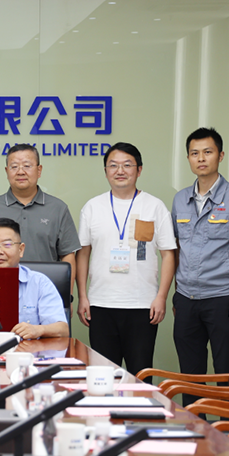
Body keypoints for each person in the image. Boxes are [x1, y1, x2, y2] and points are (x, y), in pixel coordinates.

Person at [75, 143, 176, 376]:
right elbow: (83, 254)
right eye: (113, 165)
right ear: (105, 171)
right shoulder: (92, 207)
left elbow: (168, 254)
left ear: (139, 170)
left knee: (140, 375)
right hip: (101, 305)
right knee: (102, 377)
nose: (120, 171)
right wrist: (82, 296)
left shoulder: (155, 207)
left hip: (142, 305)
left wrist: (161, 297)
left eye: (127, 165)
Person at [172, 128, 229, 385]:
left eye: (207, 152)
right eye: (194, 153)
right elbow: (176, 248)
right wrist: (177, 294)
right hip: (186, 298)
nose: (201, 158)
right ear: (188, 158)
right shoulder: (180, 199)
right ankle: (194, 413)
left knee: (226, 370)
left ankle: (228, 415)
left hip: (223, 298)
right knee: (189, 374)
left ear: (220, 156)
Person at [0, 144, 80, 301]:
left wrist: (65, 298)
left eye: (27, 166)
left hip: (45, 295)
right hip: (0, 293)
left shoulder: (58, 208)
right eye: (14, 166)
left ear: (39, 170)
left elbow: (68, 256)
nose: (20, 172)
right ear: (7, 171)